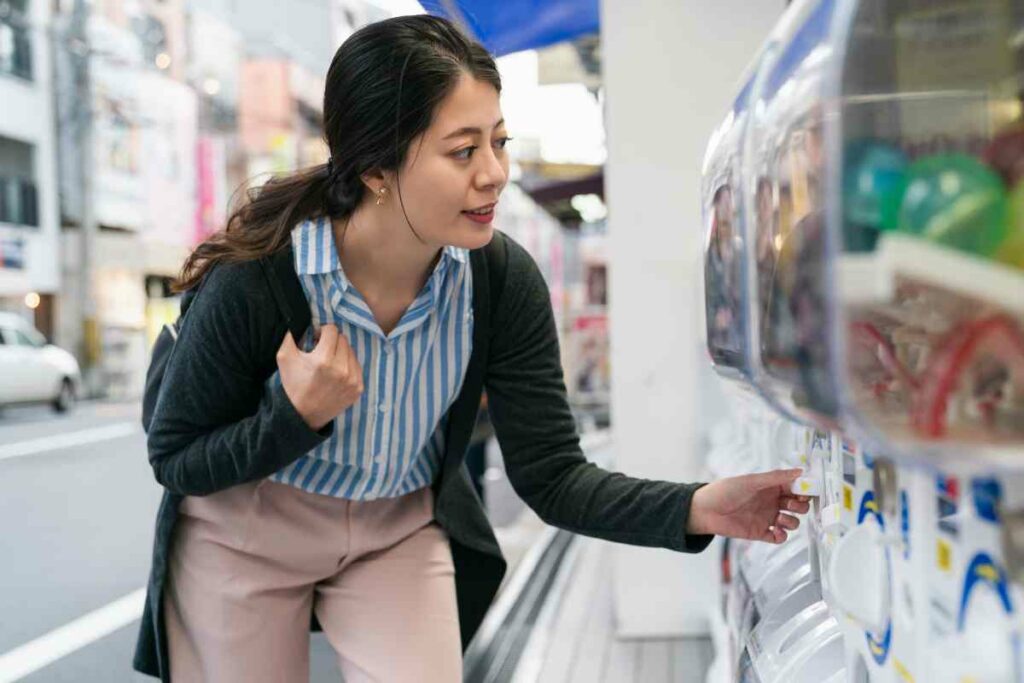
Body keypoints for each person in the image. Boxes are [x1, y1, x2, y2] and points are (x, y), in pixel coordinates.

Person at [132, 15, 810, 683]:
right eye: (463, 151)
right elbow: (177, 456)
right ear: (374, 168)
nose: (494, 174)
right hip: (245, 531)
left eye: (499, 142)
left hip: (393, 530)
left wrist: (700, 505)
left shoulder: (499, 280)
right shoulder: (261, 276)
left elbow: (550, 474)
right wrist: (294, 417)